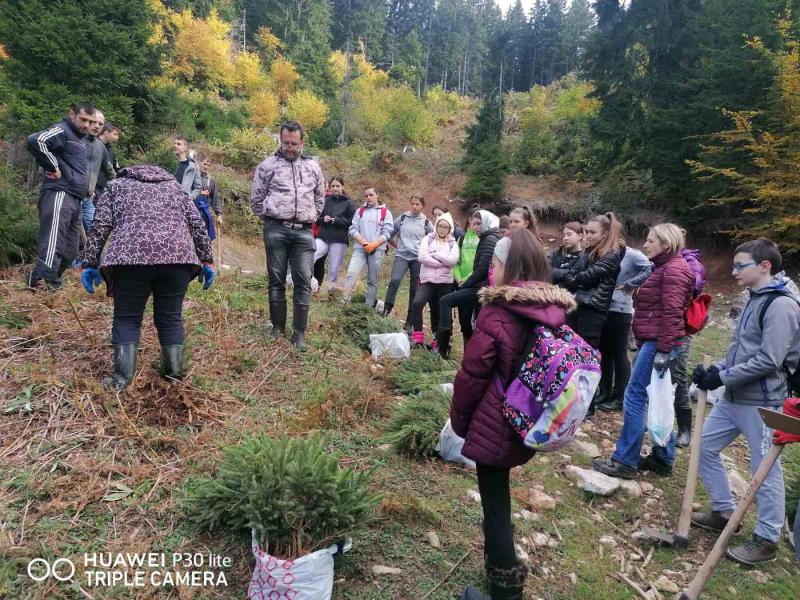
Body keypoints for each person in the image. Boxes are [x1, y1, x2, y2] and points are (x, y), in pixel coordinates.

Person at [451, 229, 576, 600]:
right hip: (526, 416)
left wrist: (460, 422)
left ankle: (505, 589)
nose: (493, 270)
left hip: (494, 418)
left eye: (497, 263)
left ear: (510, 266)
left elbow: (473, 375)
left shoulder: (498, 312)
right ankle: (497, 564)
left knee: (495, 504)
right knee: (498, 493)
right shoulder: (552, 310)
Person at [691, 239, 800, 565]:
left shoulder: (782, 306)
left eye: (741, 265)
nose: (734, 270)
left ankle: (766, 539)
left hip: (765, 402)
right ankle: (725, 511)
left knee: (764, 469)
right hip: (735, 398)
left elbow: (768, 360)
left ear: (764, 266)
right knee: (704, 446)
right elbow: (741, 351)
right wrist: (715, 369)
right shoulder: (755, 299)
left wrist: (722, 379)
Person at [80, 165, 215, 390]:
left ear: (126, 172)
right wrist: (207, 260)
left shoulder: (115, 186)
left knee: (127, 318)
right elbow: (197, 225)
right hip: (178, 259)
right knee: (170, 318)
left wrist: (90, 262)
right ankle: (173, 376)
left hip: (129, 260)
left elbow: (100, 225)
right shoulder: (175, 188)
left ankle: (122, 380)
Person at [593, 224, 695, 479]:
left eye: (651, 241)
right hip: (658, 341)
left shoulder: (673, 270)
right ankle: (663, 458)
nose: (645, 245)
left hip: (659, 343)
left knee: (635, 396)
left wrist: (662, 351)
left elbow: (672, 313)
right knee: (657, 399)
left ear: (667, 244)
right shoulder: (664, 267)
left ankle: (625, 461)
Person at [250, 121, 325, 351]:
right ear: (280, 140)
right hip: (276, 229)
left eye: (294, 143)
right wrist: (272, 218)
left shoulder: (313, 167)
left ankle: (299, 333)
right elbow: (256, 199)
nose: (289, 147)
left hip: (303, 231)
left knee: (303, 279)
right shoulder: (267, 166)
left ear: (302, 142)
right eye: (285, 143)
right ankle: (277, 328)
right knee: (276, 278)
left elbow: (320, 198)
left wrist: (310, 215)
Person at [26, 101, 97, 290]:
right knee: (53, 242)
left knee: (71, 249)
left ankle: (45, 279)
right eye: (84, 120)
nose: (87, 125)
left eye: (91, 122)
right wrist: (53, 167)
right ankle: (43, 284)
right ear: (71, 114)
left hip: (75, 198)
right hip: (59, 193)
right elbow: (36, 140)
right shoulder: (63, 130)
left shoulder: (79, 139)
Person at [552, 213, 626, 350]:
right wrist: (572, 275)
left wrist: (569, 276)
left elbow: (584, 278)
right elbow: (573, 275)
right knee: (569, 349)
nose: (587, 236)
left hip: (593, 310)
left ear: (605, 234)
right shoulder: (590, 252)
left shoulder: (611, 256)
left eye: (592, 232)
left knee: (586, 352)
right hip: (579, 305)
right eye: (586, 232)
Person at [437, 209, 501, 359]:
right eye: (474, 224)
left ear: (486, 223)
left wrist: (464, 285)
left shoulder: (489, 240)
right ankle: (466, 357)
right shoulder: (486, 237)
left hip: (481, 288)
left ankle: (442, 350)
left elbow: (482, 270)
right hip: (476, 285)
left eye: (479, 224)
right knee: (466, 322)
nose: (476, 227)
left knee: (446, 301)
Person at [596, 245, 652, 412]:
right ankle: (605, 391)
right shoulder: (604, 252)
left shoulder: (632, 254)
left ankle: (621, 397)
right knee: (605, 352)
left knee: (620, 354)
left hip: (621, 310)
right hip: (604, 307)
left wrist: (630, 284)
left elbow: (650, 268)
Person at [382, 194, 433, 325]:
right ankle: (387, 309)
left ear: (422, 206)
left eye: (417, 204)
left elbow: (433, 240)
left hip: (418, 258)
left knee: (414, 289)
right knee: (395, 280)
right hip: (402, 255)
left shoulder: (426, 222)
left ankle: (410, 320)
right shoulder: (402, 218)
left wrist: (427, 253)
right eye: (413, 204)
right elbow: (389, 233)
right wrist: (396, 245)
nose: (415, 207)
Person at [411, 212, 459, 347]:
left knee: (438, 310)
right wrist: (440, 262)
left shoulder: (453, 243)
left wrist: (436, 255)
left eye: (445, 227)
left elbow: (453, 260)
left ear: (450, 229)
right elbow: (422, 257)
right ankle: (418, 337)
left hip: (445, 283)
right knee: (417, 303)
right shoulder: (428, 239)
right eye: (440, 226)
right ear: (436, 226)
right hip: (428, 281)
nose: (442, 229)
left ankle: (437, 340)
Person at [343, 188, 394, 307]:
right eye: (366, 195)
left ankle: (368, 307)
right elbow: (353, 228)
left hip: (377, 250)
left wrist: (374, 245)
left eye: (371, 195)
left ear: (377, 195)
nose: (368, 197)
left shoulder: (385, 212)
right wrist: (363, 242)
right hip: (360, 249)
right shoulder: (360, 211)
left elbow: (387, 232)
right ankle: (345, 302)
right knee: (351, 273)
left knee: (372, 280)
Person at [313, 176, 355, 290]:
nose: (335, 188)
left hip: (339, 239)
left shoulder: (349, 203)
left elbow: (352, 222)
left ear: (343, 187)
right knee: (310, 255)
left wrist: (337, 220)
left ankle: (330, 295)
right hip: (323, 236)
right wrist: (323, 219)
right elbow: (317, 219)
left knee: (333, 269)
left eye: (337, 186)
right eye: (333, 186)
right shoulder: (325, 201)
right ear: (330, 187)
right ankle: (308, 285)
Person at [82, 110, 115, 234]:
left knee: (94, 232)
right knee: (70, 235)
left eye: (100, 124)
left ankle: (86, 253)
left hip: (87, 198)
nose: (96, 126)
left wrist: (123, 187)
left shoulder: (100, 146)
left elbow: (110, 171)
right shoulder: (75, 141)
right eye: (93, 122)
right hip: (70, 197)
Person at [199, 155, 223, 226]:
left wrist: (219, 215)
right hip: (193, 209)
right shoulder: (193, 176)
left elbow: (216, 198)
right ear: (200, 163)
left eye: (208, 165)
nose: (206, 167)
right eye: (204, 164)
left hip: (206, 211)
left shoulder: (211, 181)